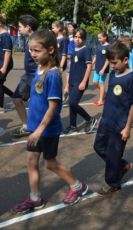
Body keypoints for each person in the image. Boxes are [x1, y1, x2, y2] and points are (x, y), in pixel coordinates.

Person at [12, 30, 88, 213]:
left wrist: (38, 130)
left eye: (37, 50)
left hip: (47, 130)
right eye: (30, 50)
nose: (33, 54)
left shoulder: (53, 74)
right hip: (35, 128)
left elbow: (53, 107)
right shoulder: (39, 70)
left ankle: (78, 187)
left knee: (50, 163)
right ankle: (35, 198)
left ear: (51, 50)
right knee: (31, 161)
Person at [93, 41, 133, 195]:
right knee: (98, 147)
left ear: (125, 60)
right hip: (106, 120)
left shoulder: (132, 78)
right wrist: (102, 116)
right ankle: (122, 164)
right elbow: (110, 97)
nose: (111, 66)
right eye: (110, 63)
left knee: (113, 154)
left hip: (119, 125)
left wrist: (127, 128)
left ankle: (113, 183)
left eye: (114, 63)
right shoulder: (113, 74)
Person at [63, 28, 97, 134]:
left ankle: (90, 119)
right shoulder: (74, 51)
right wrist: (68, 84)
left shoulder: (85, 49)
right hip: (72, 81)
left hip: (80, 81)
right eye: (75, 37)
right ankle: (73, 125)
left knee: (72, 103)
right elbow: (71, 68)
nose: (77, 39)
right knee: (72, 104)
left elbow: (89, 66)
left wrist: (84, 81)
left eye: (80, 37)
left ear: (84, 39)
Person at [11, 15, 39, 138]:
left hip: (34, 76)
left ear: (28, 27)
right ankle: (27, 126)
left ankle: (36, 127)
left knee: (36, 103)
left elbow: (42, 60)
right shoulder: (29, 39)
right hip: (28, 75)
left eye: (20, 27)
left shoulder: (36, 40)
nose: (19, 29)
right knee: (17, 99)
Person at [0, 14, 14, 113]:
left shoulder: (5, 35)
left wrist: (4, 68)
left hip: (4, 63)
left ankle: (0, 107)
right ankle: (15, 96)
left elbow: (8, 52)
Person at [92, 32, 110, 106]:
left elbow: (108, 59)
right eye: (98, 38)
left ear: (105, 37)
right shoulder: (99, 46)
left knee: (101, 83)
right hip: (97, 67)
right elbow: (96, 56)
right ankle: (105, 94)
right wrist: (92, 63)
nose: (98, 39)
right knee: (95, 82)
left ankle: (101, 100)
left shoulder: (108, 46)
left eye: (100, 38)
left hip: (103, 69)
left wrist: (103, 69)